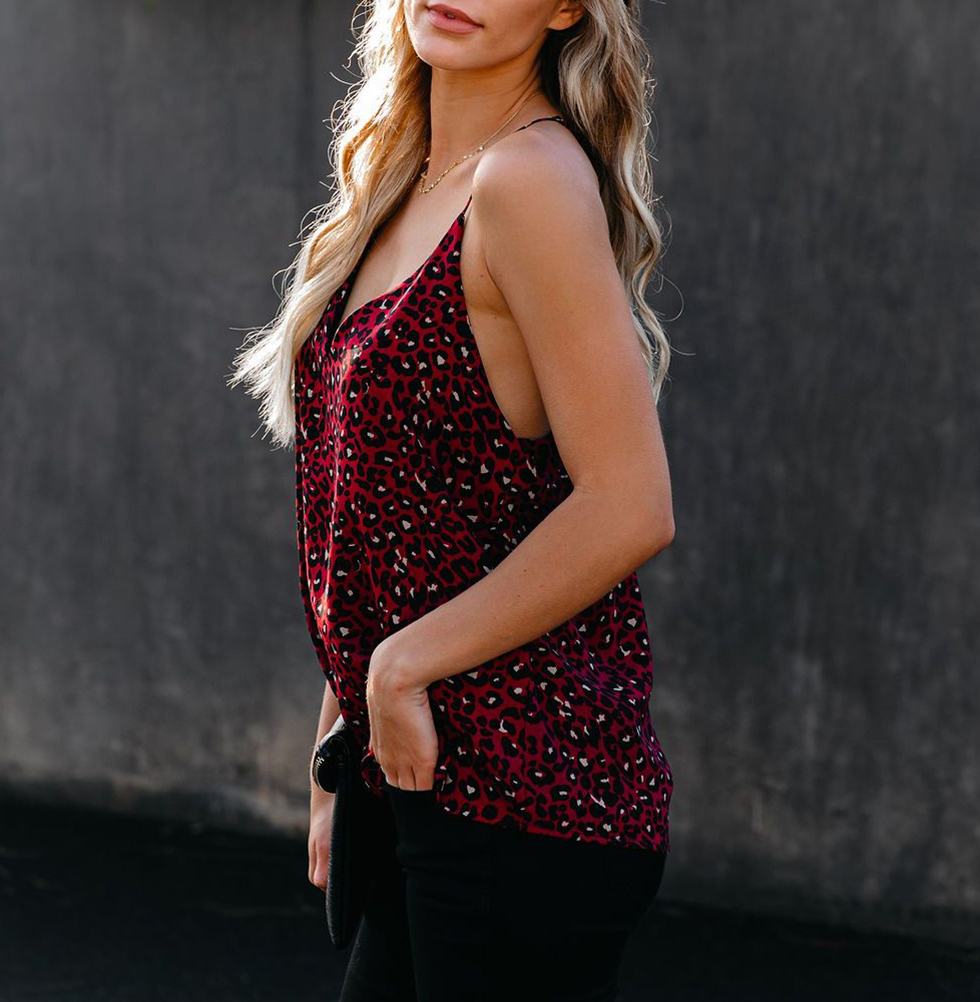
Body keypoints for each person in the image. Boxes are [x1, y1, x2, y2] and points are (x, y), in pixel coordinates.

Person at [230, 1, 677, 999]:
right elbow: (390, 517)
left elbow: (631, 503)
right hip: (418, 771)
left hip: (532, 788)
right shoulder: (407, 179)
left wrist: (395, 670)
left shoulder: (528, 179)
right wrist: (339, 735)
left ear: (566, 9)